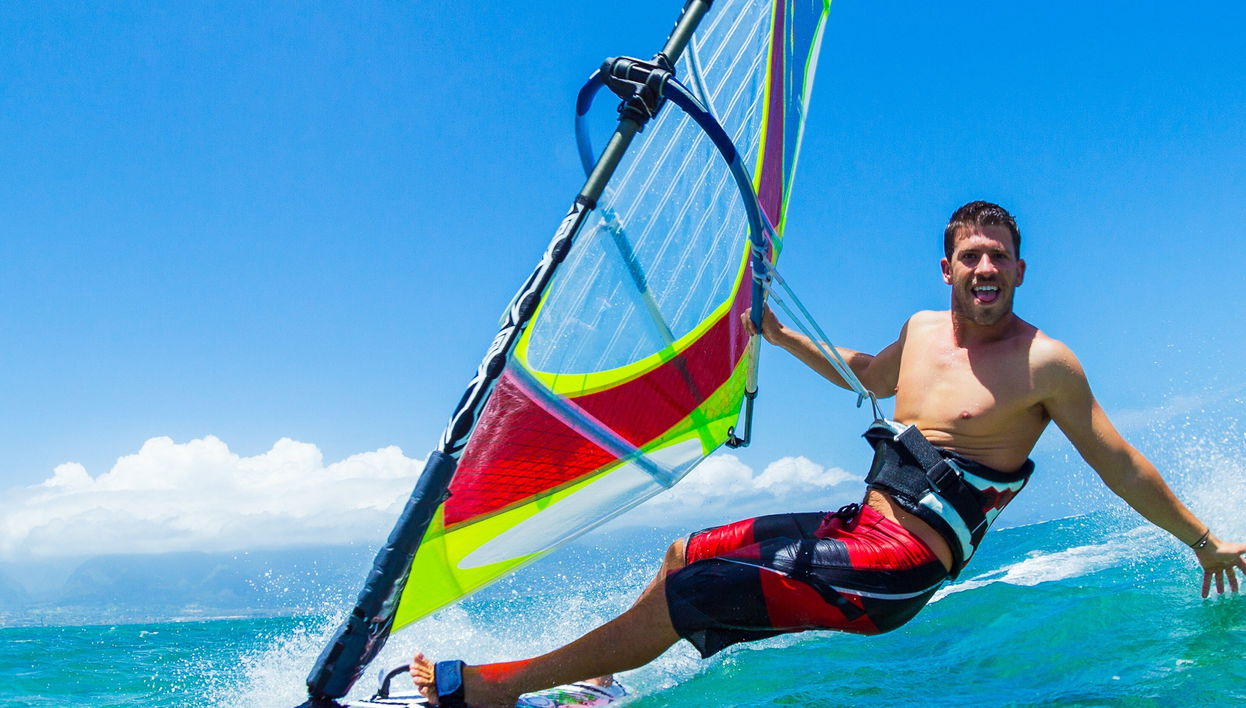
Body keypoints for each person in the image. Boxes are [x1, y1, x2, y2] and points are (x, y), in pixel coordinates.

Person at [409, 201, 1246, 708]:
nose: (984, 268)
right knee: (682, 557)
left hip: (902, 565)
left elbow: (1119, 461)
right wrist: (773, 332)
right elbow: (861, 374)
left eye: (999, 257)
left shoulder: (1046, 364)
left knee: (696, 591)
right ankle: (598, 682)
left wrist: (1202, 540)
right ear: (947, 269)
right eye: (970, 257)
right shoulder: (922, 331)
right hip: (855, 527)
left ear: (1021, 269)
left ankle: (498, 686)